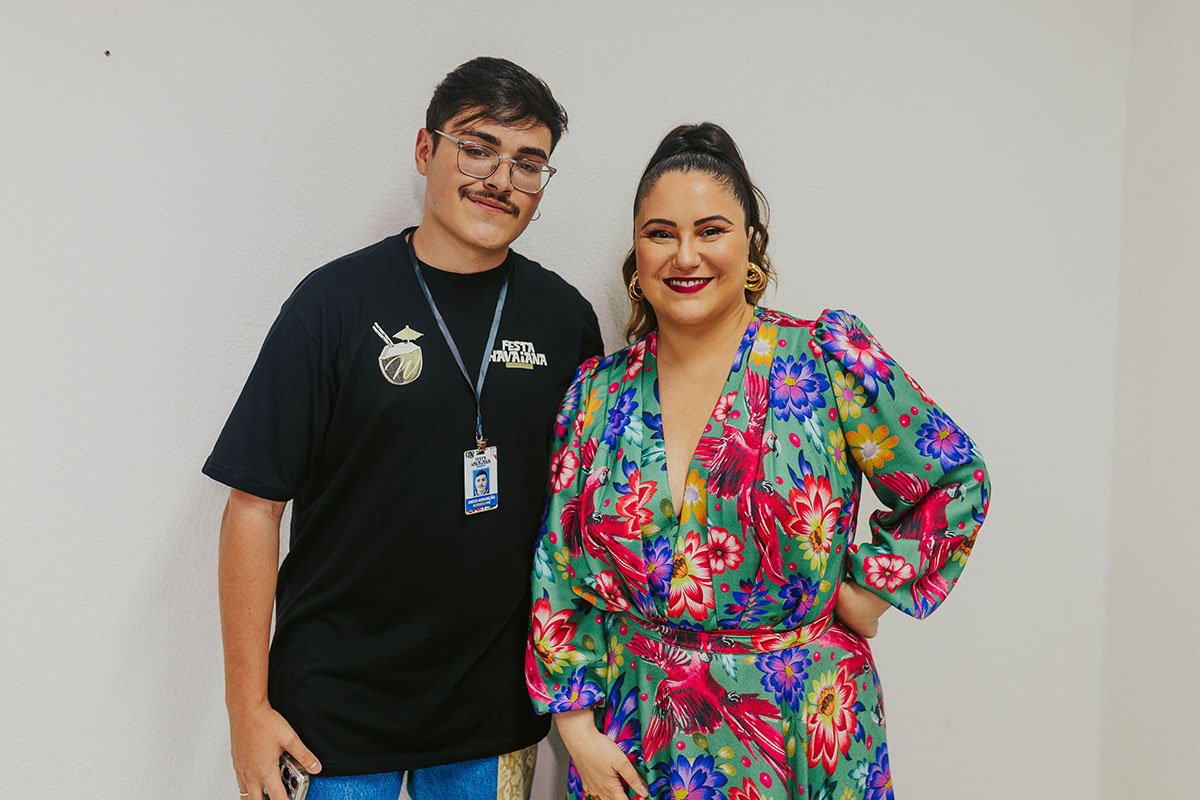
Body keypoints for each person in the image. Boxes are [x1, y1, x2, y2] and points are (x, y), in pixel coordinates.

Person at [525, 123, 990, 800]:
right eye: (660, 233)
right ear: (637, 252)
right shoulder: (597, 393)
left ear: (750, 242)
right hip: (640, 734)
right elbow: (561, 566)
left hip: (802, 728)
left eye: (710, 230)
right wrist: (576, 729)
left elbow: (953, 476)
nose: (685, 255)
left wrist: (871, 590)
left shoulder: (823, 361)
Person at [205, 57, 602, 800]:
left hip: (492, 715)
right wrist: (245, 710)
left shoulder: (564, 320)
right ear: (426, 151)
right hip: (332, 719)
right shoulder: (333, 304)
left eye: (527, 163)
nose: (500, 179)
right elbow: (253, 506)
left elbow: (582, 521)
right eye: (477, 148)